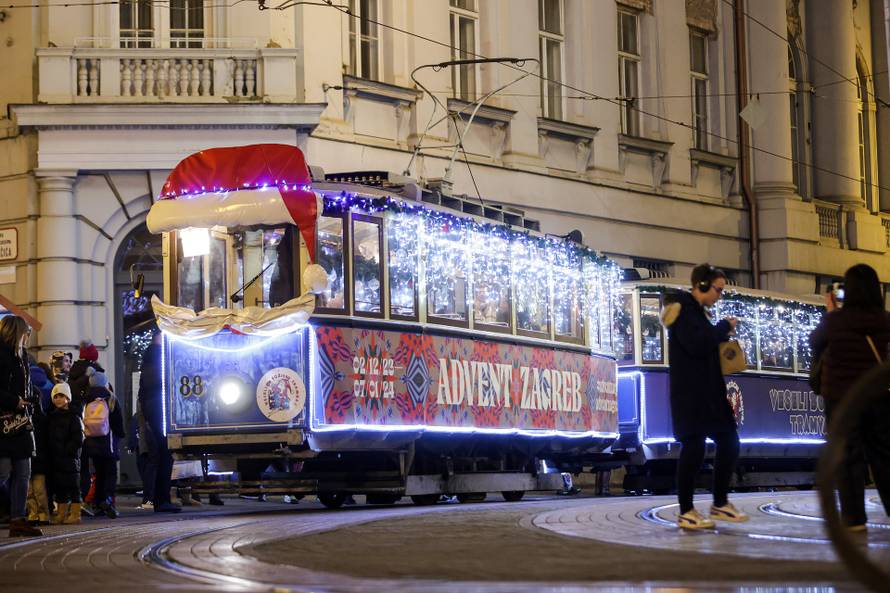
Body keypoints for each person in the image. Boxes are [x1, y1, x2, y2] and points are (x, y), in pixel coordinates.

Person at [661, 263, 747, 530]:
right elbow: (698, 345)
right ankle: (686, 510)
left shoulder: (698, 313)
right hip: (691, 395)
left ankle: (719, 503)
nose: (719, 296)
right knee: (694, 449)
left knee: (729, 441)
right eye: (717, 290)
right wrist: (722, 327)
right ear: (701, 286)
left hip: (709, 393)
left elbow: (704, 342)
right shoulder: (684, 313)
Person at [810, 264, 890, 531]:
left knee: (848, 457)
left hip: (841, 400)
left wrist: (831, 312)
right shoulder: (885, 319)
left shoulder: (835, 321)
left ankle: (855, 519)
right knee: (883, 455)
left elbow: (815, 342)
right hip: (877, 396)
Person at [0, 315, 42, 537]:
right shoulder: (3, 355)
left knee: (24, 471)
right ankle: (15, 517)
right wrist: (14, 400)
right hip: (5, 422)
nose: (27, 335)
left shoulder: (23, 355)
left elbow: (26, 384)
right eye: (25, 332)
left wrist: (32, 396)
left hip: (21, 420)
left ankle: (18, 519)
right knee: (4, 471)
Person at [138, 330, 181, 513]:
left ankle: (159, 498)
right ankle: (161, 499)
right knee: (163, 456)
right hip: (160, 412)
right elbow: (158, 383)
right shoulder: (158, 357)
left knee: (160, 456)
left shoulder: (151, 357)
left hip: (154, 411)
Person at [81, 371, 124, 518]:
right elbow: (118, 421)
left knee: (98, 474)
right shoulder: (110, 398)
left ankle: (98, 502)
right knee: (110, 473)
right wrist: (120, 434)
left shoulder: (86, 398)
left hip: (91, 442)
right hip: (108, 442)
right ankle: (107, 500)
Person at [47, 382, 84, 524]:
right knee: (60, 487)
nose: (58, 399)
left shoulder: (74, 417)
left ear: (68, 398)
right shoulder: (52, 417)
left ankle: (75, 514)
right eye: (55, 396)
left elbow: (78, 438)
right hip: (57, 459)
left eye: (61, 396)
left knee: (74, 487)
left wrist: (68, 450)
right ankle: (61, 514)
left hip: (70, 459)